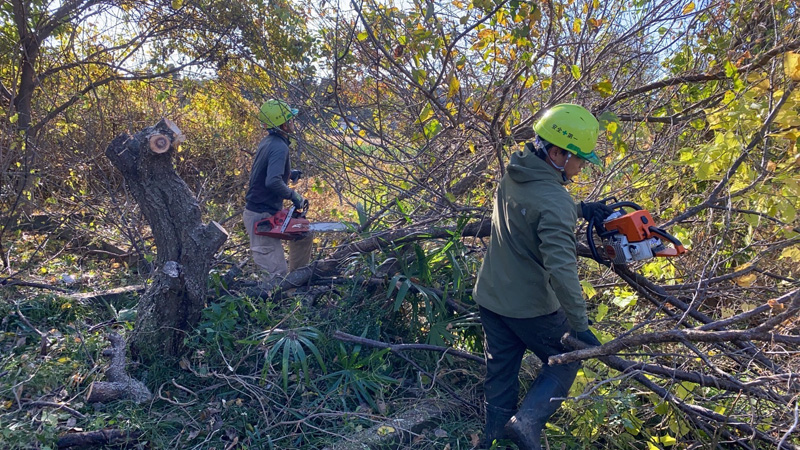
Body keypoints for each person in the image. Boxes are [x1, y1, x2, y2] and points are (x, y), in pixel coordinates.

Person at [472, 104, 615, 449]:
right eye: (579, 160)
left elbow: (529, 210)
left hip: (492, 297)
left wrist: (580, 209)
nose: (581, 169)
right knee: (565, 360)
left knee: (501, 372)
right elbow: (562, 270)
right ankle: (526, 423)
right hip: (530, 307)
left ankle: (492, 438)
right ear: (556, 153)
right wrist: (580, 326)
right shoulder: (554, 202)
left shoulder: (514, 173)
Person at [243, 99, 313, 283]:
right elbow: (272, 181)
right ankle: (282, 302)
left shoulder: (269, 142)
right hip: (260, 215)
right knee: (277, 276)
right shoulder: (279, 147)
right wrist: (293, 195)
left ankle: (297, 283)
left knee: (304, 234)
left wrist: (289, 173)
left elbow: (266, 171)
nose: (292, 123)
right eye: (290, 119)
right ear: (283, 123)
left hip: (269, 210)